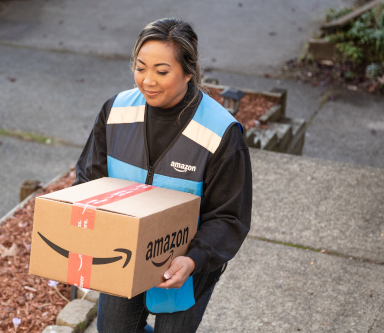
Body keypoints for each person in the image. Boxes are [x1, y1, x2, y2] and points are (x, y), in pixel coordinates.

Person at [72, 17, 252, 333]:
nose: (148, 81)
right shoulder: (115, 112)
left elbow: (229, 217)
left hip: (187, 263)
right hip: (122, 252)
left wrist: (194, 259)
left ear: (189, 72)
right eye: (141, 68)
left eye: (162, 71)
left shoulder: (220, 132)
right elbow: (89, 180)